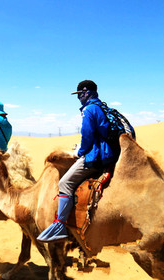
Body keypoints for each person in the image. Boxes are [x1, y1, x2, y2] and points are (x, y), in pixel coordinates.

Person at [37, 80, 117, 243]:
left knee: (64, 183)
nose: (78, 97)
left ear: (86, 92)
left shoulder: (89, 110)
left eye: (79, 94)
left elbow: (87, 135)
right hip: (107, 153)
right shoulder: (102, 107)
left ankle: (59, 225)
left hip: (96, 156)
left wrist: (79, 152)